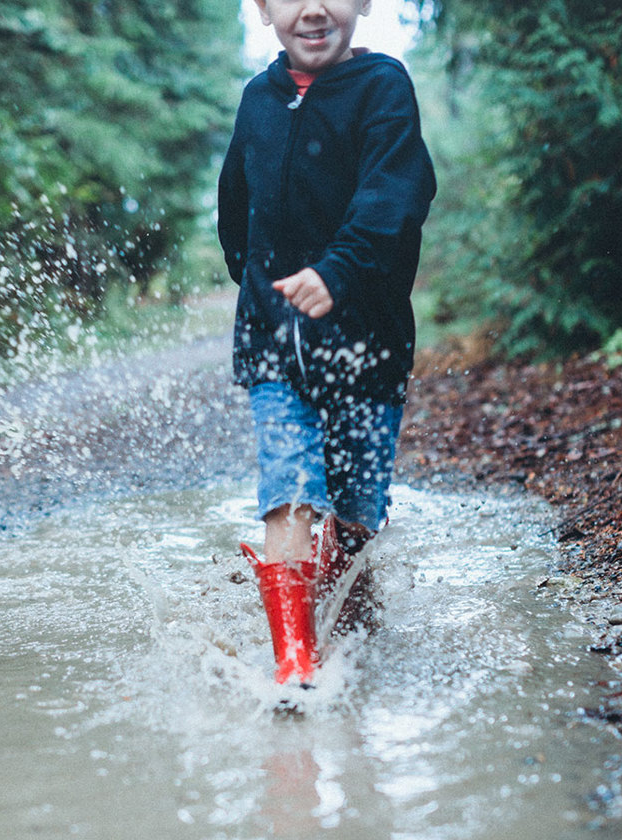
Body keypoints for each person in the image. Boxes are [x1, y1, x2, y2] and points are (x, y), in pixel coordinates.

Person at [217, 0, 435, 685]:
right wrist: (256, 289)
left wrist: (335, 273)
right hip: (275, 345)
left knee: (358, 514)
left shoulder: (383, 88)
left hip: (364, 345)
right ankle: (297, 666)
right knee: (288, 490)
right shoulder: (258, 99)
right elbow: (236, 207)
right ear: (259, 9)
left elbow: (395, 198)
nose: (313, 8)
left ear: (364, 3)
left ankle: (356, 634)